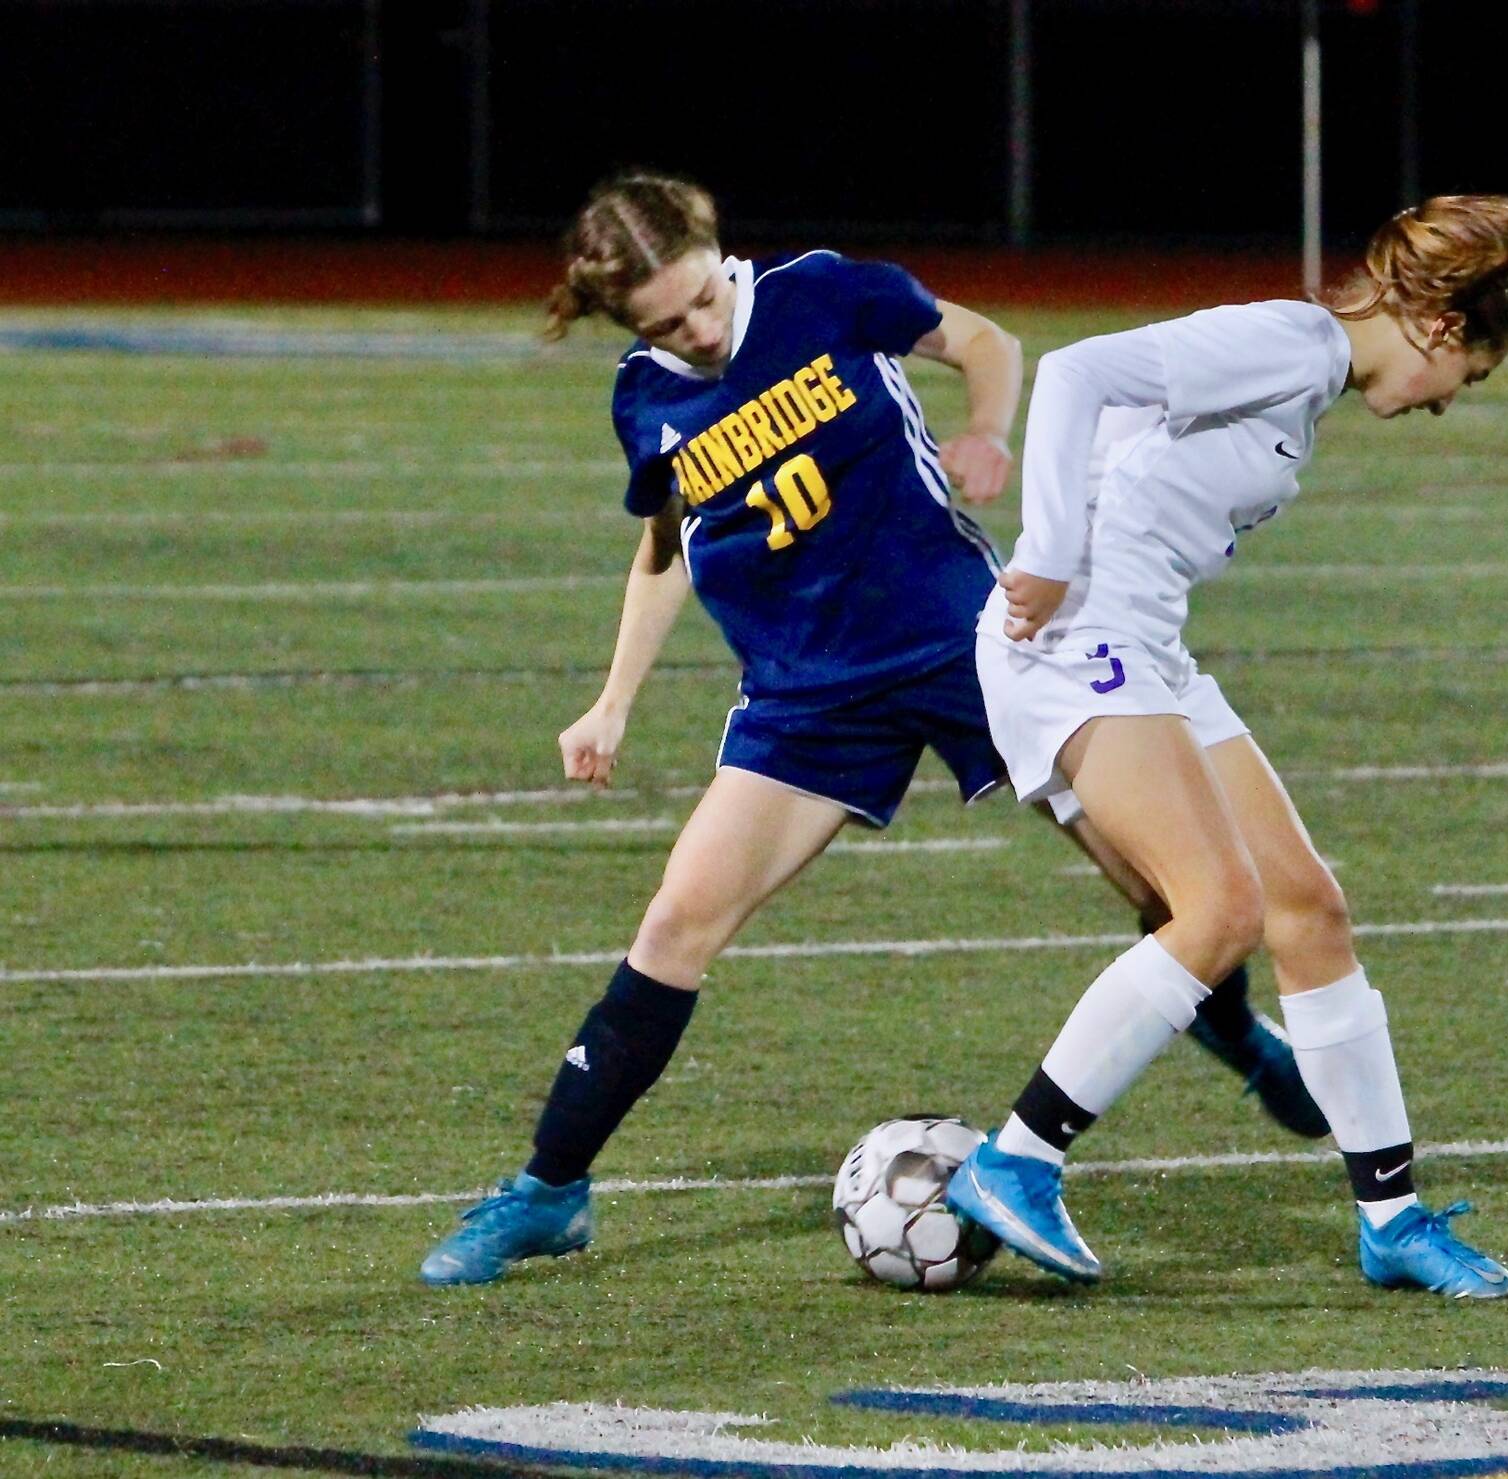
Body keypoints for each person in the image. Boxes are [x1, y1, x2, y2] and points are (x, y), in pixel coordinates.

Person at [419, 171, 1323, 1287]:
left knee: (1164, 888)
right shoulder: (642, 397)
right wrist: (611, 700)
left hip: (965, 649)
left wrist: (989, 434)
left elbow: (986, 341)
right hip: (805, 696)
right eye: (664, 322)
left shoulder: (824, 295)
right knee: (674, 926)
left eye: (701, 299)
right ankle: (548, 1193)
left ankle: (1229, 1030)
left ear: (717, 249)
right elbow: (667, 543)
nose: (696, 332)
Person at [945, 195, 1508, 1297]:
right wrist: (1052, 549)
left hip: (1142, 646)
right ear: (1440, 330)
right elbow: (1071, 373)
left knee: (1308, 906)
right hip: (1073, 637)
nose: (1449, 405)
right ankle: (1016, 1161)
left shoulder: (1305, 382)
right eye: (1469, 377)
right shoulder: (1285, 342)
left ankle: (1390, 1221)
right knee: (1219, 910)